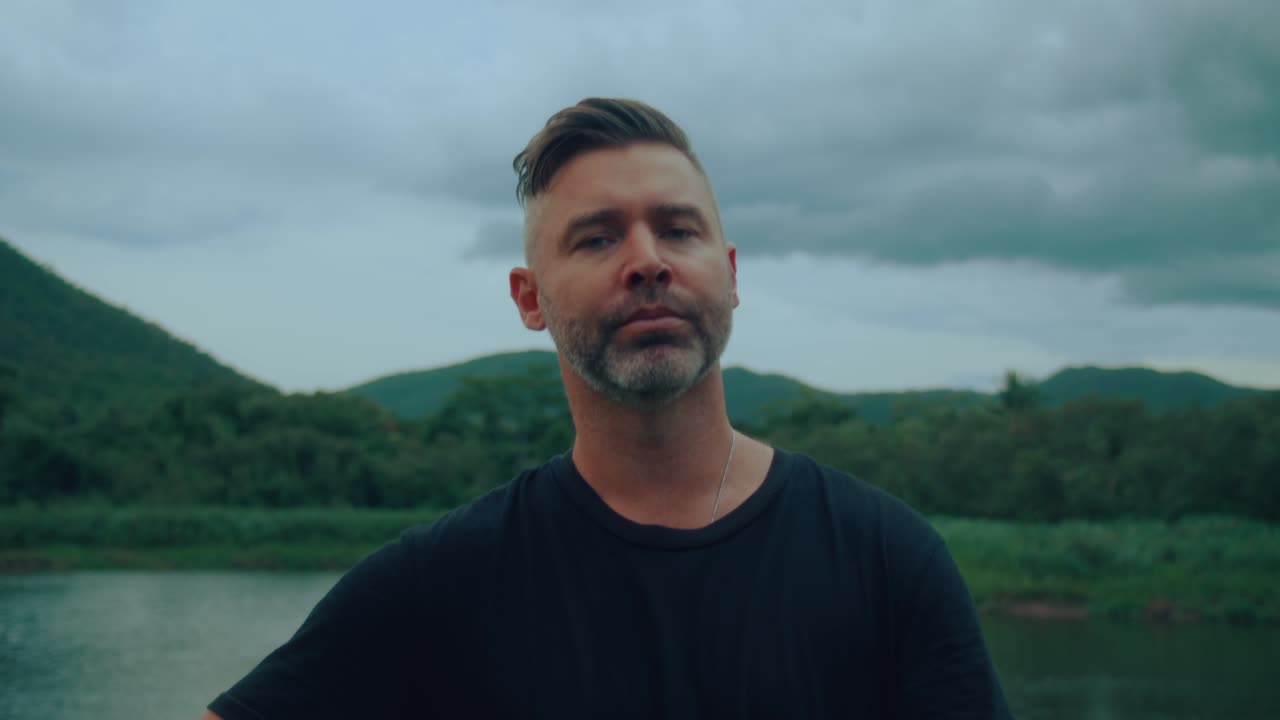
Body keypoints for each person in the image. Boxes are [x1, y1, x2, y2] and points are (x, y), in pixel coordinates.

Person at [204, 98, 1012, 719]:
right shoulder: (443, 581)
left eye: (678, 230)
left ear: (730, 274)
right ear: (530, 298)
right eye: (596, 238)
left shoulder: (886, 559)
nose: (647, 262)